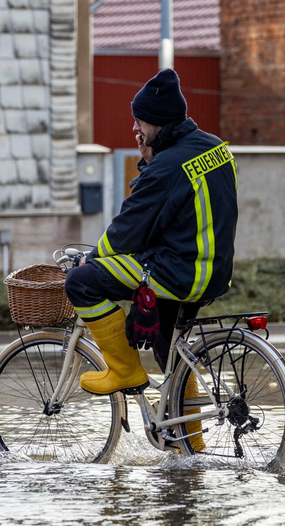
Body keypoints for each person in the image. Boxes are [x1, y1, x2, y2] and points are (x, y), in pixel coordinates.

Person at [65, 69, 238, 402]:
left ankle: (124, 370)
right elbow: (180, 214)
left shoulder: (169, 164)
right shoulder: (214, 147)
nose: (135, 128)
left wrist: (92, 258)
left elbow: (129, 228)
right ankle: (186, 446)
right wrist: (151, 161)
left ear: (160, 125)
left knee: (81, 281)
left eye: (141, 121)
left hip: (179, 272)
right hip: (214, 271)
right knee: (170, 355)